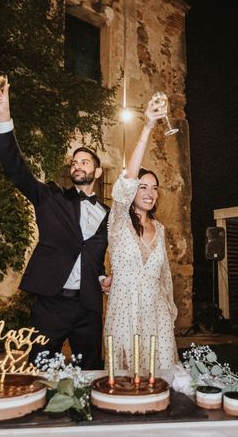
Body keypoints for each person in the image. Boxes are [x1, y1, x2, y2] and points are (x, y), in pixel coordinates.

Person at [0, 77, 110, 369]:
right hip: (52, 302)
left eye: (84, 161)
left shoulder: (108, 213)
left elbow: (91, 252)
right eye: (74, 162)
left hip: (90, 307)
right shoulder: (50, 198)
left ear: (98, 171)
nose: (77, 165)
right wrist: (3, 117)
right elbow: (16, 169)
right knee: (41, 371)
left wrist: (103, 277)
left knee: (90, 372)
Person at [103, 97, 178, 371]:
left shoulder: (160, 229)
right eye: (143, 186)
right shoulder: (119, 221)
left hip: (156, 315)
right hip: (125, 313)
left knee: (160, 384)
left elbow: (165, 278)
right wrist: (148, 126)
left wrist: (168, 314)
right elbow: (125, 183)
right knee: (124, 382)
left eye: (154, 188)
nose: (149, 193)